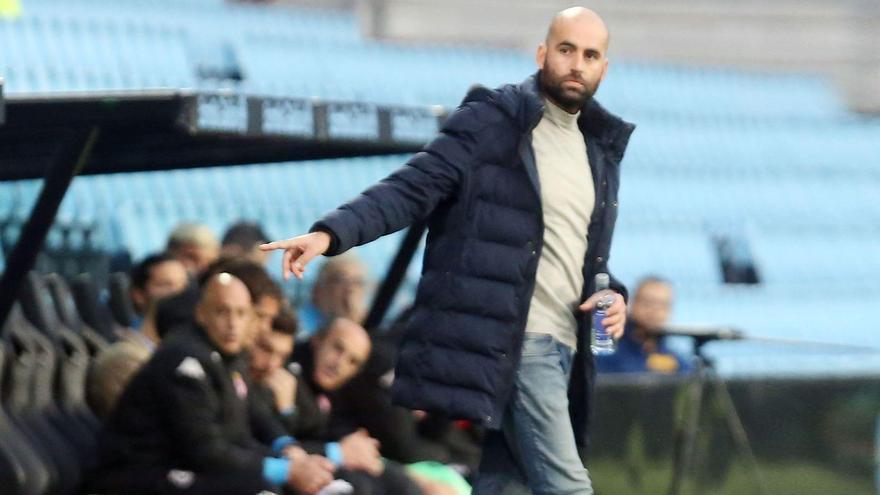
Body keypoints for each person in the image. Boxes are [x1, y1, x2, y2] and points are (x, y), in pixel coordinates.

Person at [261, 7, 634, 493]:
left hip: (568, 344)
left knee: (508, 484)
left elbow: (583, 253)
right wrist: (330, 234)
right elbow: (411, 188)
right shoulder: (492, 121)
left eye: (590, 55)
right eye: (566, 50)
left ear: (604, 68)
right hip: (518, 342)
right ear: (543, 54)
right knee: (568, 487)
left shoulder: (599, 150)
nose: (576, 64)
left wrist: (614, 293)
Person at [91, 273, 334, 495]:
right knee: (258, 489)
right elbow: (205, 451)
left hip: (180, 467)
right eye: (222, 312)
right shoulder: (184, 358)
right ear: (201, 314)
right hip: (137, 475)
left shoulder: (227, 358)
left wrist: (293, 460)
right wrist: (288, 471)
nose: (233, 324)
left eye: (241, 314)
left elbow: (240, 435)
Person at [596, 277, 691, 374]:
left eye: (662, 305)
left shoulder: (677, 363)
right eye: (648, 303)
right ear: (631, 304)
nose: (654, 311)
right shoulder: (605, 354)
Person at [297, 254, 369, 340]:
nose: (350, 289)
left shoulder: (365, 320)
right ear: (318, 290)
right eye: (341, 280)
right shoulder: (299, 325)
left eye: (358, 282)